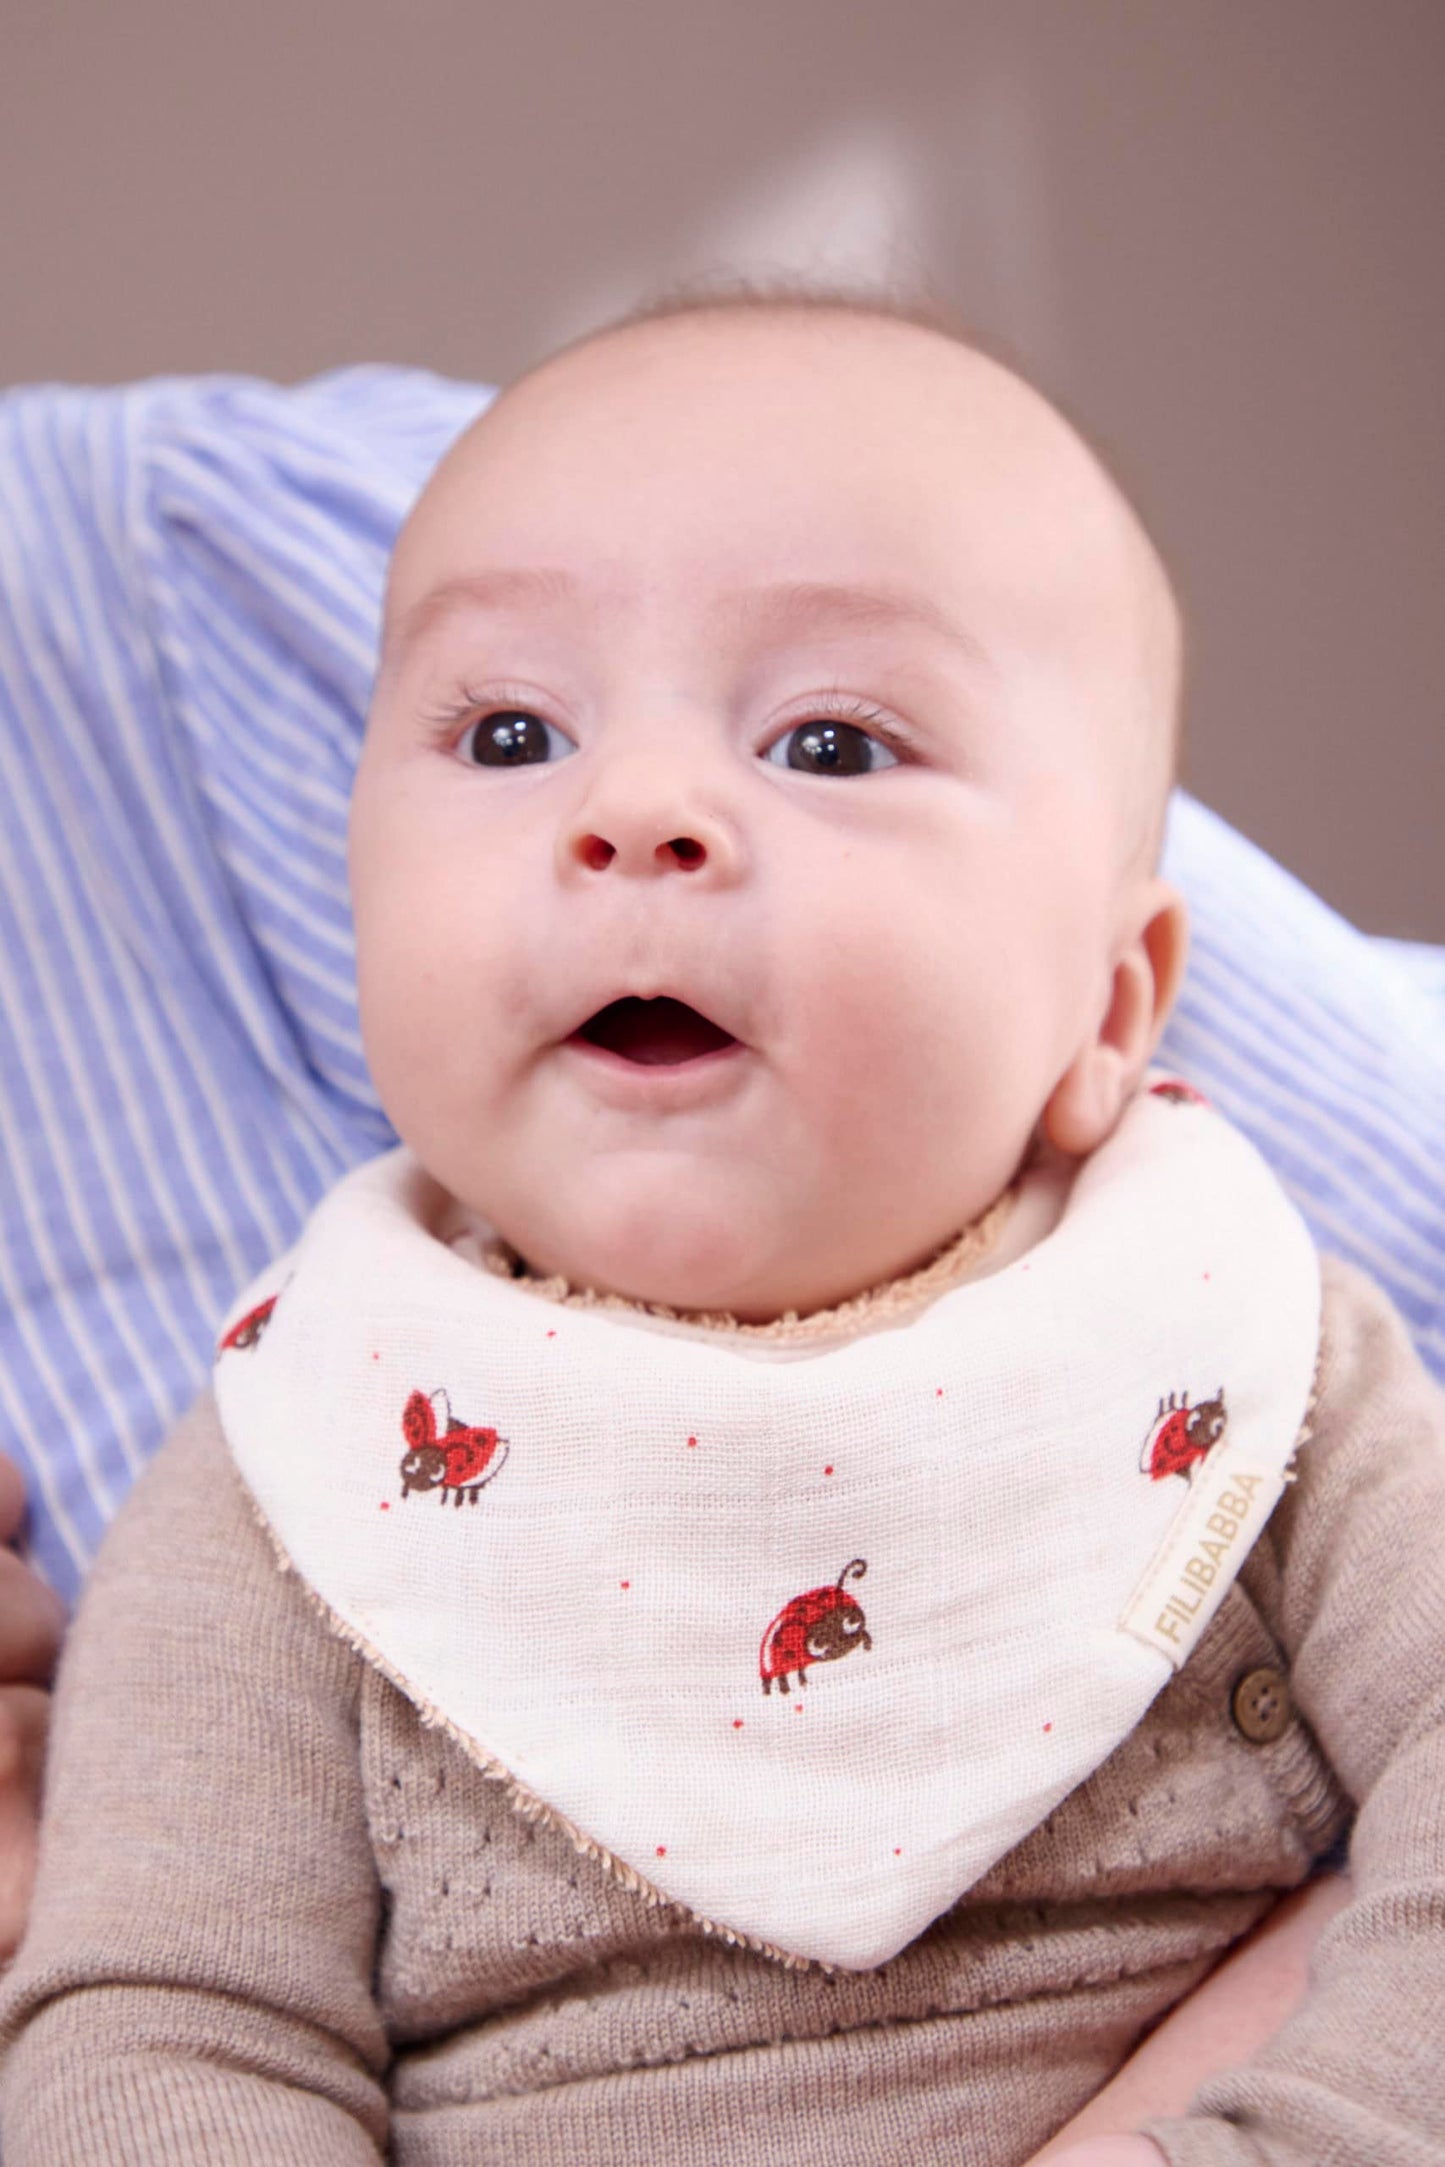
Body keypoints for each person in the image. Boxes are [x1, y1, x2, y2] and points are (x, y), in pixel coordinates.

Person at [1, 297, 1441, 2166]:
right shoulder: (304, 1453)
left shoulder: (1245, 1358)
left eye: (829, 745)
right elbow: (166, 2024)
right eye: (512, 727)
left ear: (1105, 1008)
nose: (638, 811)